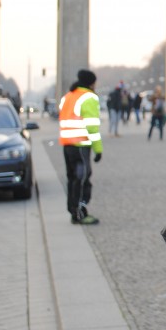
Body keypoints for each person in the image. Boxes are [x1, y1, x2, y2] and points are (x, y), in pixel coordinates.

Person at [58, 69, 103, 225]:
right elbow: (92, 127)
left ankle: (73, 210)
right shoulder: (88, 97)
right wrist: (98, 149)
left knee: (72, 179)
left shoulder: (67, 97)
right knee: (82, 179)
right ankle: (79, 212)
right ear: (91, 83)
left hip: (67, 144)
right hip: (81, 145)